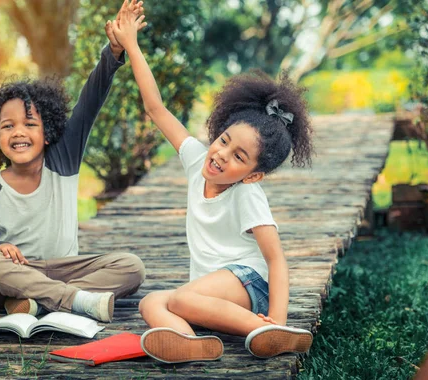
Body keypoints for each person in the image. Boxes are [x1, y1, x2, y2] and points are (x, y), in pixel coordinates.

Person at [111, 3, 315, 361]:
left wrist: (278, 320)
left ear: (253, 174)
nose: (221, 154)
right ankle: (189, 343)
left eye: (238, 157)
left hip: (249, 283)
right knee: (151, 302)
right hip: (211, 294)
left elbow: (277, 261)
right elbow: (155, 108)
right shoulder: (196, 160)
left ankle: (266, 331)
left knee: (179, 298)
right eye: (223, 141)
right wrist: (132, 46)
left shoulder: (246, 193)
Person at [0, 1, 147, 323]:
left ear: (48, 133)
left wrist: (114, 51)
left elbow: (90, 100)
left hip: (66, 268)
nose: (19, 132)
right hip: (18, 273)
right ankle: (74, 300)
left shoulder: (62, 158)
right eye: (8, 126)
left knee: (131, 266)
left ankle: (36, 303)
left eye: (30, 124)